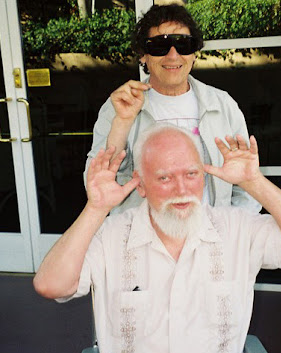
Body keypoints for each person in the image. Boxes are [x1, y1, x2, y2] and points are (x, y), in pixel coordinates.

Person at [34, 123, 281, 353]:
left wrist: (255, 182)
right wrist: (95, 209)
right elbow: (50, 285)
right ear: (140, 185)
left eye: (191, 174)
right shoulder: (110, 236)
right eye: (164, 178)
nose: (182, 190)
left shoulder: (237, 228)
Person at [84, 3, 261, 214]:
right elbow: (96, 184)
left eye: (184, 45)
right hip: (143, 241)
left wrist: (230, 232)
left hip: (209, 237)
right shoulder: (118, 107)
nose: (173, 55)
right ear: (143, 55)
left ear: (194, 53)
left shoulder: (222, 105)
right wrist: (122, 123)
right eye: (159, 46)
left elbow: (246, 185)